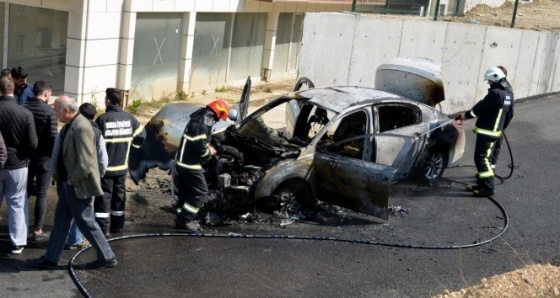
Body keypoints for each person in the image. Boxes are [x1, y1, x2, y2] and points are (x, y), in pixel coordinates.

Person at [27, 96, 117, 270]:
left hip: (77, 185)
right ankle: (51, 257)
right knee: (61, 220)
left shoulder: (82, 128)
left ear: (67, 110)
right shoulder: (70, 126)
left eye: (56, 109)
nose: (54, 112)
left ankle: (107, 256)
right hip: (69, 185)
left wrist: (71, 179)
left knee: (86, 222)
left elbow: (86, 163)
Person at [95, 88, 145, 235]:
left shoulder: (102, 119)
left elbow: (94, 140)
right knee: (119, 197)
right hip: (122, 167)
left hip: (106, 168)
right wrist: (133, 147)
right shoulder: (130, 119)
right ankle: (117, 226)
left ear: (108, 101)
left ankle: (103, 228)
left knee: (104, 197)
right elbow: (142, 135)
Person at [457, 66, 514, 197]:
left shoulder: (495, 94)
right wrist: (501, 129)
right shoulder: (509, 95)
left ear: (495, 78)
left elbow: (479, 109)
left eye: (490, 81)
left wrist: (464, 116)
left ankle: (488, 187)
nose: (488, 83)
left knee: (481, 159)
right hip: (495, 132)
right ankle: (482, 184)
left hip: (487, 132)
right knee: (486, 158)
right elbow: (510, 115)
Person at [174, 99, 229, 232]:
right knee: (200, 192)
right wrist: (209, 151)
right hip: (190, 165)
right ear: (217, 112)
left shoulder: (199, 118)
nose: (218, 120)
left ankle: (181, 217)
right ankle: (185, 220)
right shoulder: (203, 124)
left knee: (186, 192)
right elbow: (200, 151)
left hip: (182, 162)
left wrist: (206, 145)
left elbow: (197, 142)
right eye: (219, 117)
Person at [0, 77, 38, 254]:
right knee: (17, 203)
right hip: (18, 164)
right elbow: (32, 143)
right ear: (13, 91)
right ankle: (18, 242)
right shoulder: (24, 113)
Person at [65, 102, 108, 250]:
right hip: (86, 178)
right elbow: (103, 159)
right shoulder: (95, 132)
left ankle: (72, 238)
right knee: (85, 213)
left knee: (72, 211)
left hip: (70, 176)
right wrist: (99, 176)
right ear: (94, 116)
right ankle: (76, 238)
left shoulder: (71, 128)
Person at [24, 81, 58, 242]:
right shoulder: (49, 112)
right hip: (44, 158)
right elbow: (52, 138)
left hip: (25, 157)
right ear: (46, 94)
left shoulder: (23, 108)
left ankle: (21, 226)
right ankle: (38, 229)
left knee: (23, 192)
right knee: (42, 194)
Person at [489, 65, 514, 170]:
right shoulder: (506, 89)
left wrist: (501, 127)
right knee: (494, 150)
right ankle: (490, 172)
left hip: (494, 127)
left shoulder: (502, 91)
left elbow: (509, 113)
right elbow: (510, 113)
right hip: (499, 127)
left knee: (489, 152)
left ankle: (486, 177)